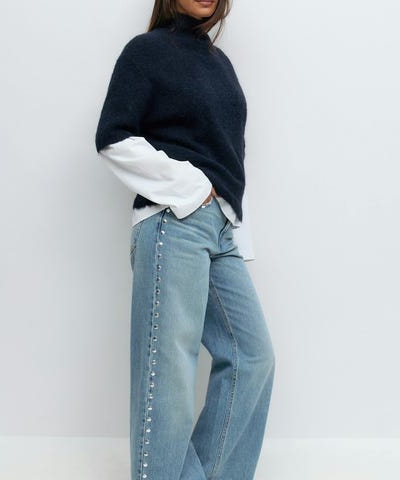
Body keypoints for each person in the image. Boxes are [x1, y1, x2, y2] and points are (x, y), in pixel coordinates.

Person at [94, 1, 275, 479]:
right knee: (169, 372)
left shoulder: (221, 65)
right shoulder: (146, 51)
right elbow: (113, 137)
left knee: (252, 357)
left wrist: (235, 227)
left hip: (222, 228)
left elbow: (229, 157)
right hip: (172, 220)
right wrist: (190, 188)